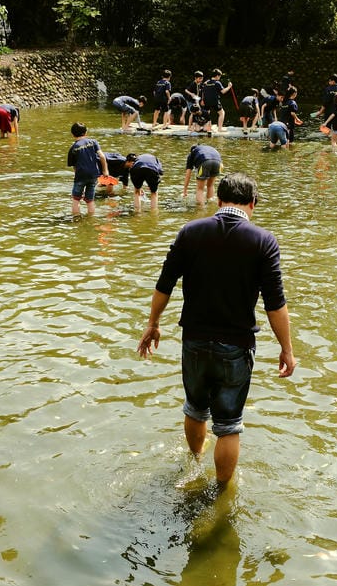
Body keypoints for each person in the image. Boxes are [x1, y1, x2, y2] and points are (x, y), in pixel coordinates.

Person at [137, 172, 296, 486]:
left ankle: (194, 464)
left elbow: (164, 285)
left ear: (219, 200)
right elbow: (275, 304)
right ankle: (222, 492)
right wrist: (287, 349)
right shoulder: (263, 241)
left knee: (195, 409)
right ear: (253, 203)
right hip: (236, 345)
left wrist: (153, 324)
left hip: (194, 338)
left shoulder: (190, 232)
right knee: (229, 425)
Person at [67, 122, 110, 215]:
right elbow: (102, 156)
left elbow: (74, 166)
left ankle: (76, 220)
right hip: (93, 175)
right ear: (86, 132)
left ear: (72, 134)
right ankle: (91, 219)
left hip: (80, 176)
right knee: (90, 200)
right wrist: (105, 171)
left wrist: (78, 178)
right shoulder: (93, 142)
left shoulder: (73, 148)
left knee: (76, 199)